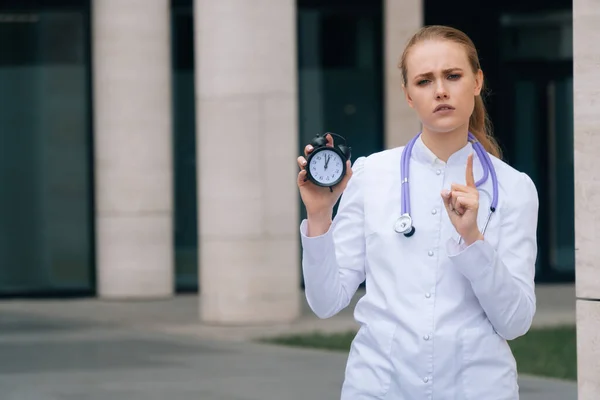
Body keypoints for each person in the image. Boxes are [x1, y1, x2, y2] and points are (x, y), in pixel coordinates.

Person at [296, 25, 539, 399]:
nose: (440, 90)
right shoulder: (371, 174)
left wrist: (473, 240)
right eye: (424, 81)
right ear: (408, 96)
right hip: (379, 385)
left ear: (477, 81)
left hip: (477, 387)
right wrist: (318, 215)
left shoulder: (514, 187)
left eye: (453, 76)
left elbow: (515, 322)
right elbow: (326, 302)